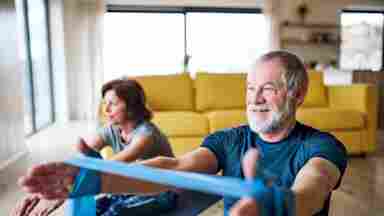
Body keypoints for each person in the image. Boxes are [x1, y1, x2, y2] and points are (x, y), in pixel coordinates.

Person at [16, 50, 348, 216]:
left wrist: (275, 204)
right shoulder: (230, 140)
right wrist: (89, 179)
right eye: (250, 89)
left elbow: (313, 188)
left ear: (298, 94)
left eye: (268, 89)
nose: (255, 99)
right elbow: (174, 168)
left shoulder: (321, 146)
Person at [13, 79, 178, 216]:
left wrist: (61, 195)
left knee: (115, 212)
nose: (106, 110)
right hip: (132, 188)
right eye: (105, 103)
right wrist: (41, 191)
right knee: (96, 209)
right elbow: (79, 163)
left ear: (131, 106)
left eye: (112, 104)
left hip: (161, 191)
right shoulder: (111, 129)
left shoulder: (145, 135)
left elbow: (110, 168)